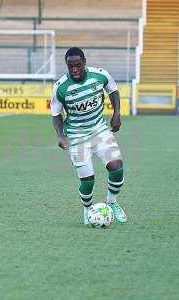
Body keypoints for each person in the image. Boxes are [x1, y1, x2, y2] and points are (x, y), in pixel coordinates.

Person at [50, 47, 127, 225]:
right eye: (71, 66)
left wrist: (117, 113)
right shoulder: (61, 87)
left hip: (99, 130)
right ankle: (87, 209)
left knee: (116, 167)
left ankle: (112, 201)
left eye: (78, 65)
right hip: (76, 137)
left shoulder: (100, 75)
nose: (74, 70)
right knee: (87, 180)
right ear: (67, 66)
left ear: (84, 62)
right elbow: (56, 114)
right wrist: (60, 135)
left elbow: (113, 90)